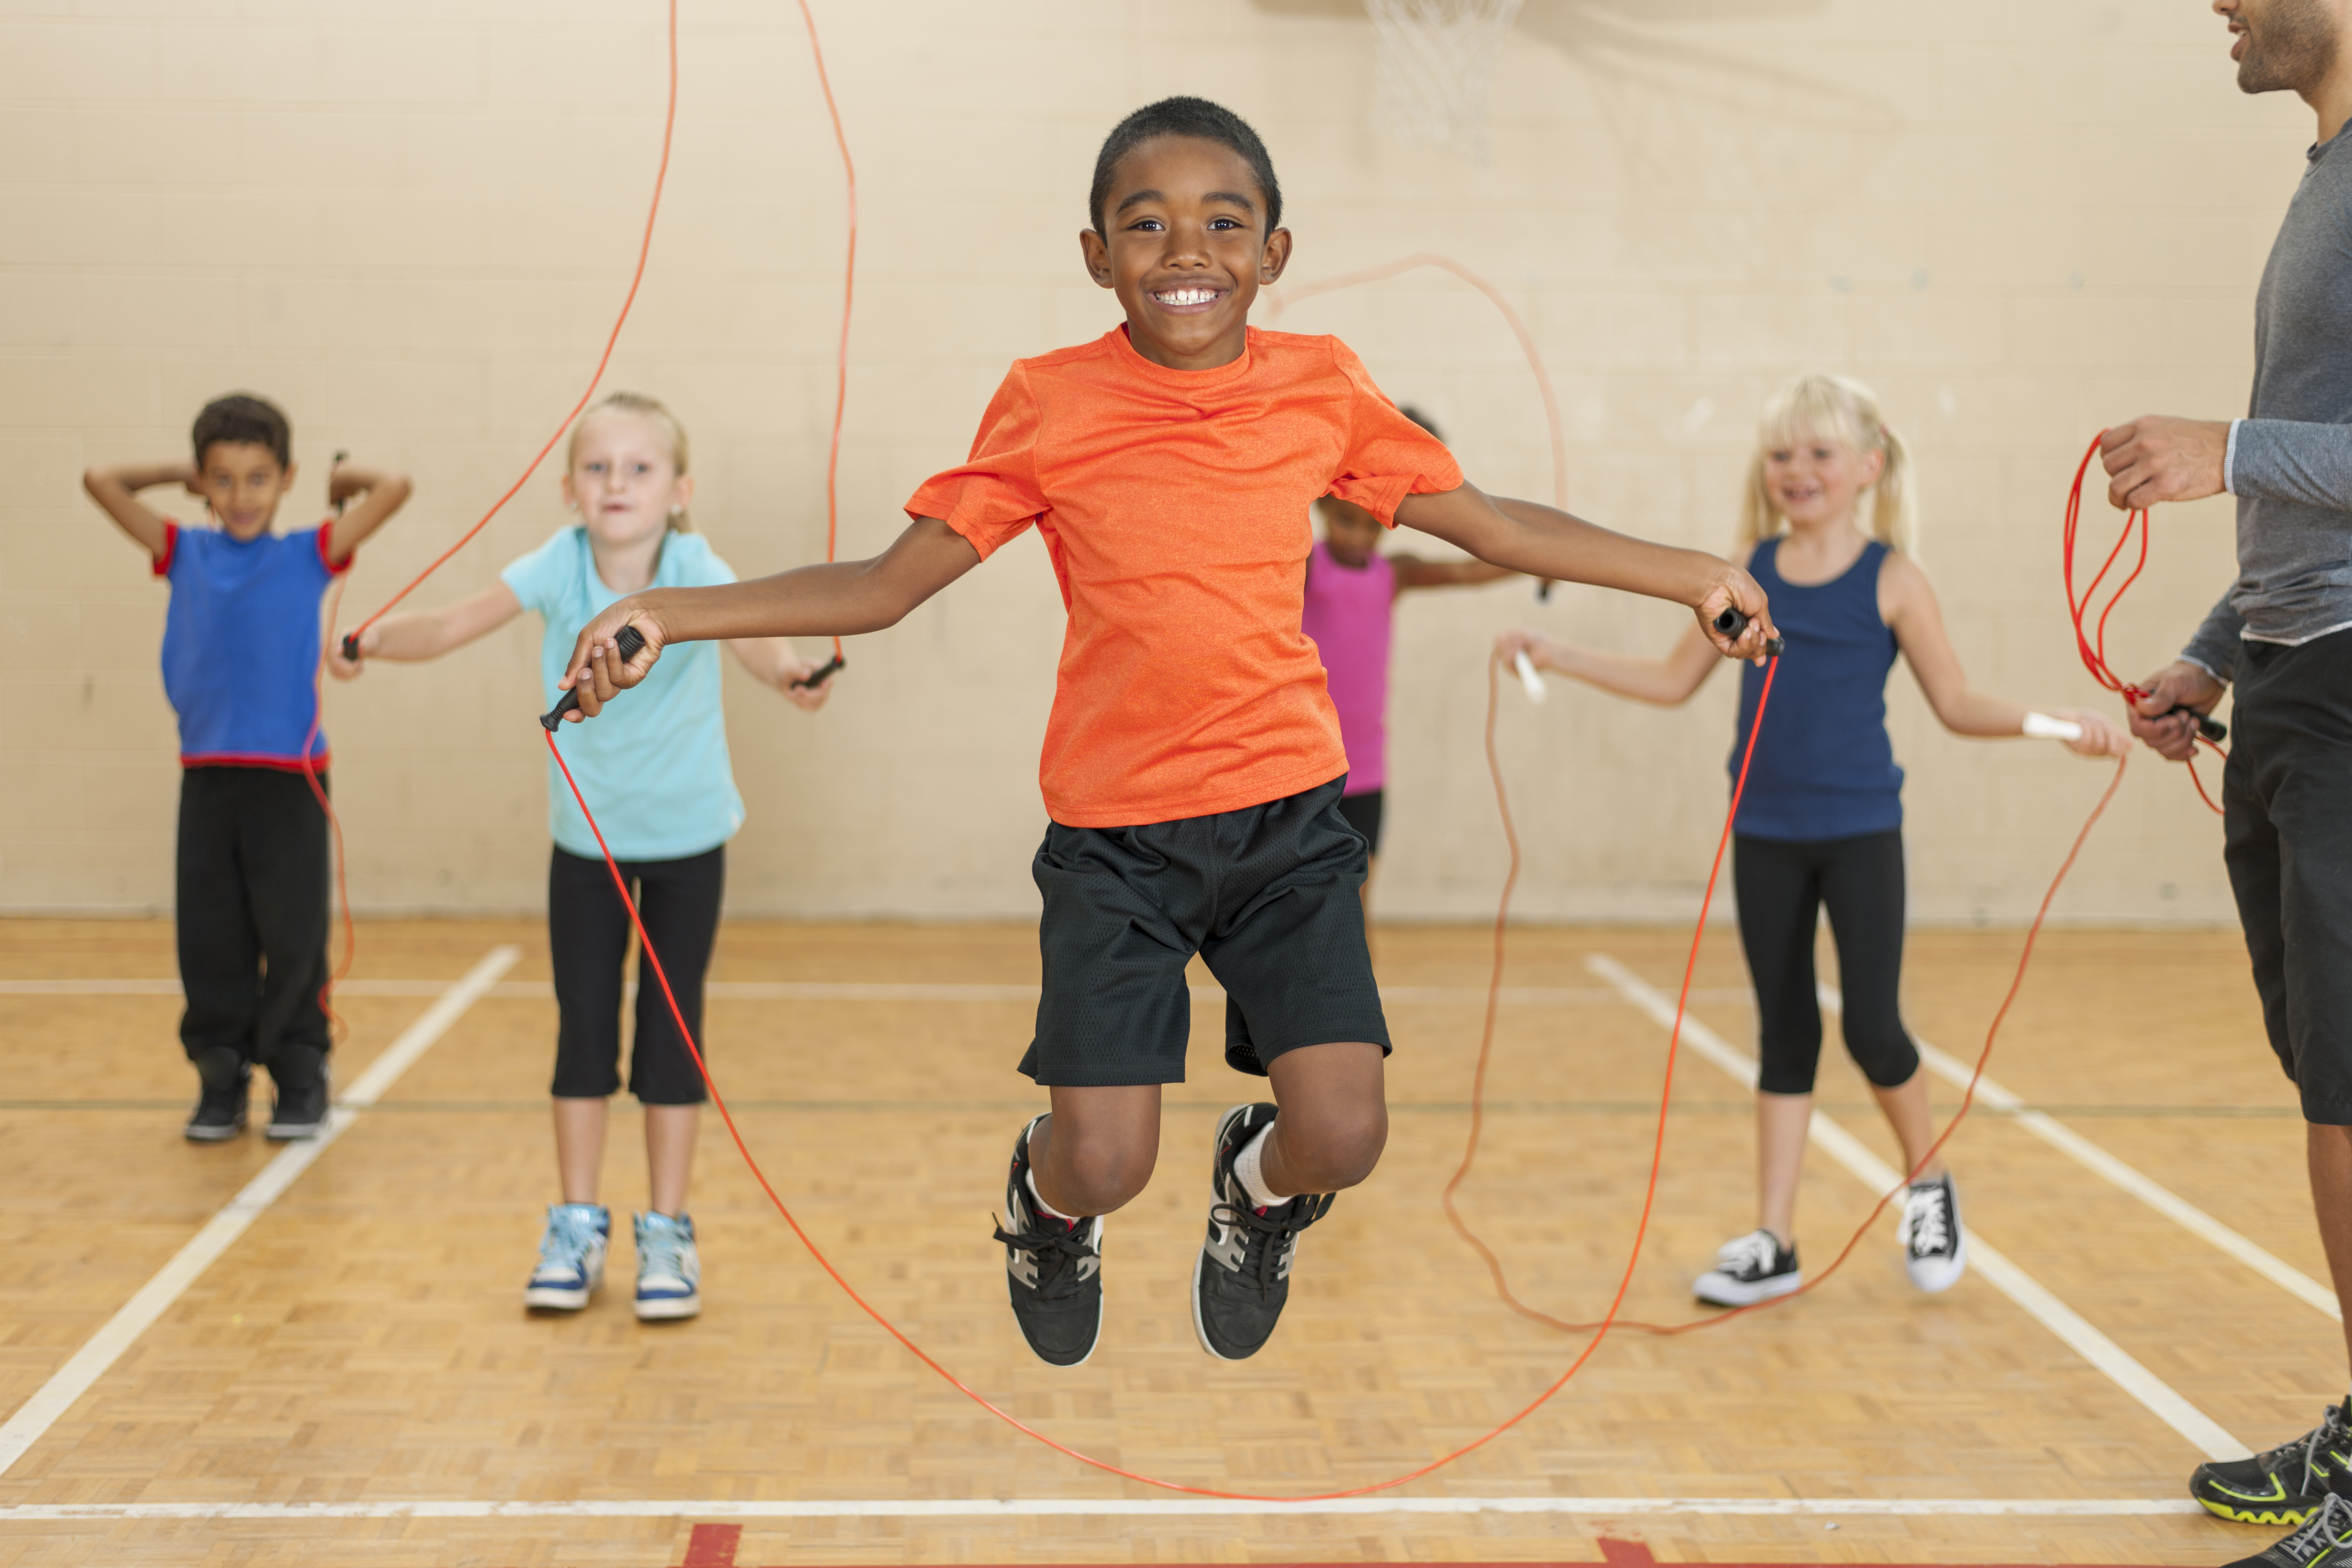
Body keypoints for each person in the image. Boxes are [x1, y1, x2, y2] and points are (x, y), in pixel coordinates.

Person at [551, 96, 1778, 1369]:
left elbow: (1494, 528)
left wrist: (1688, 570)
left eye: (1221, 223)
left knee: (1345, 1132)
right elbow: (885, 584)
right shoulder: (1047, 403)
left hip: (1288, 820)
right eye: (1146, 224)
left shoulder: (1321, 387)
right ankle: (1043, 1209)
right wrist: (664, 612)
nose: (1185, 250)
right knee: (1104, 1159)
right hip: (1116, 837)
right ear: (1095, 254)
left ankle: (1256, 1187)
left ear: (1274, 252)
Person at [1499, 372, 2125, 1310]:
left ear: (1867, 467)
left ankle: (1927, 1184)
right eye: (1781, 453)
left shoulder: (1893, 578)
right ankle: (1774, 1239)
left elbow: (1954, 703)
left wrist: (2056, 721)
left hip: (1860, 833)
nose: (1796, 470)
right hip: (1763, 834)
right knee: (1783, 1032)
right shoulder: (1743, 573)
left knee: (1873, 1028)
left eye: (1819, 453)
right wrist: (1563, 656)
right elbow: (1675, 683)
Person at [333, 391, 835, 1322]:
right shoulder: (556, 567)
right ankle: (574, 1223)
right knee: (583, 1034)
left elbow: (755, 637)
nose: (617, 483)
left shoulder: (692, 566)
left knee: (671, 1040)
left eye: (639, 468)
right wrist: (369, 640)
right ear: (569, 489)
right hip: (587, 851)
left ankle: (666, 1233)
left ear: (678, 489)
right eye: (598, 468)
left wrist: (794, 672)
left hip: (687, 844)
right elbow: (447, 625)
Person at [2101, 2, 2352, 1558]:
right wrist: (2214, 646)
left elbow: (2284, 453)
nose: (2220, 4)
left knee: (2350, 1092)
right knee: (2325, 1077)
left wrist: (2230, 446)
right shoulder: (2321, 177)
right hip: (2290, 675)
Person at [83, 393, 411, 1144]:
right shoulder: (182, 551)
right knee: (212, 935)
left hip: (289, 780)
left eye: (258, 478)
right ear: (204, 482)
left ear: (286, 478)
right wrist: (180, 472)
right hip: (207, 776)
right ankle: (221, 1073)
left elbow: (396, 488)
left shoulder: (309, 552)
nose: (239, 496)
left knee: (292, 932)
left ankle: (299, 1070)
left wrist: (344, 479)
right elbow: (100, 479)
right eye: (223, 480)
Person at [1301, 404, 1515, 938]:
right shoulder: (1307, 568)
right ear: (1326, 509)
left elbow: (1470, 570)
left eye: (1372, 526)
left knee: (1355, 911)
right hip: (1305, 768)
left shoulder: (1393, 575)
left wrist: (1540, 560)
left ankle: (1355, 1018)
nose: (1359, 537)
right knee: (1303, 912)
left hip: (1366, 772)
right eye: (1347, 521)